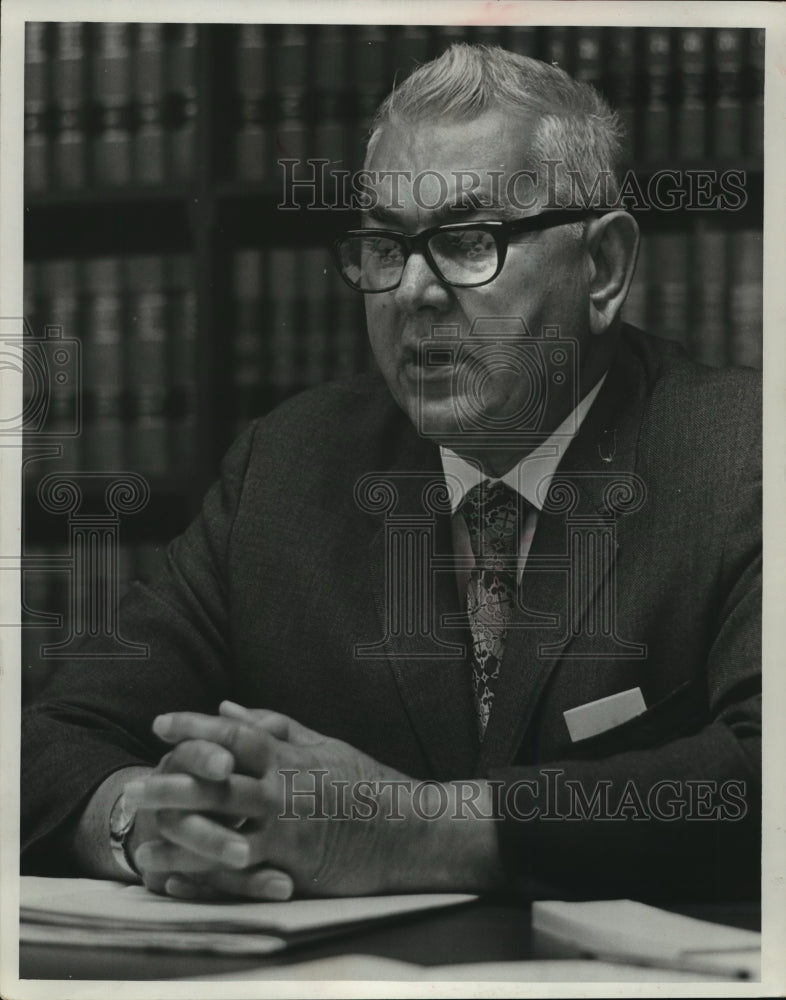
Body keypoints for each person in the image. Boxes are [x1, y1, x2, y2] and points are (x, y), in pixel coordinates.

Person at [21, 44, 760, 904]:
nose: (413, 291)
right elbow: (53, 739)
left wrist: (417, 833)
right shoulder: (285, 469)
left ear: (601, 269)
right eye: (383, 245)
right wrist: (143, 820)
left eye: (466, 240)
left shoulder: (743, 454)